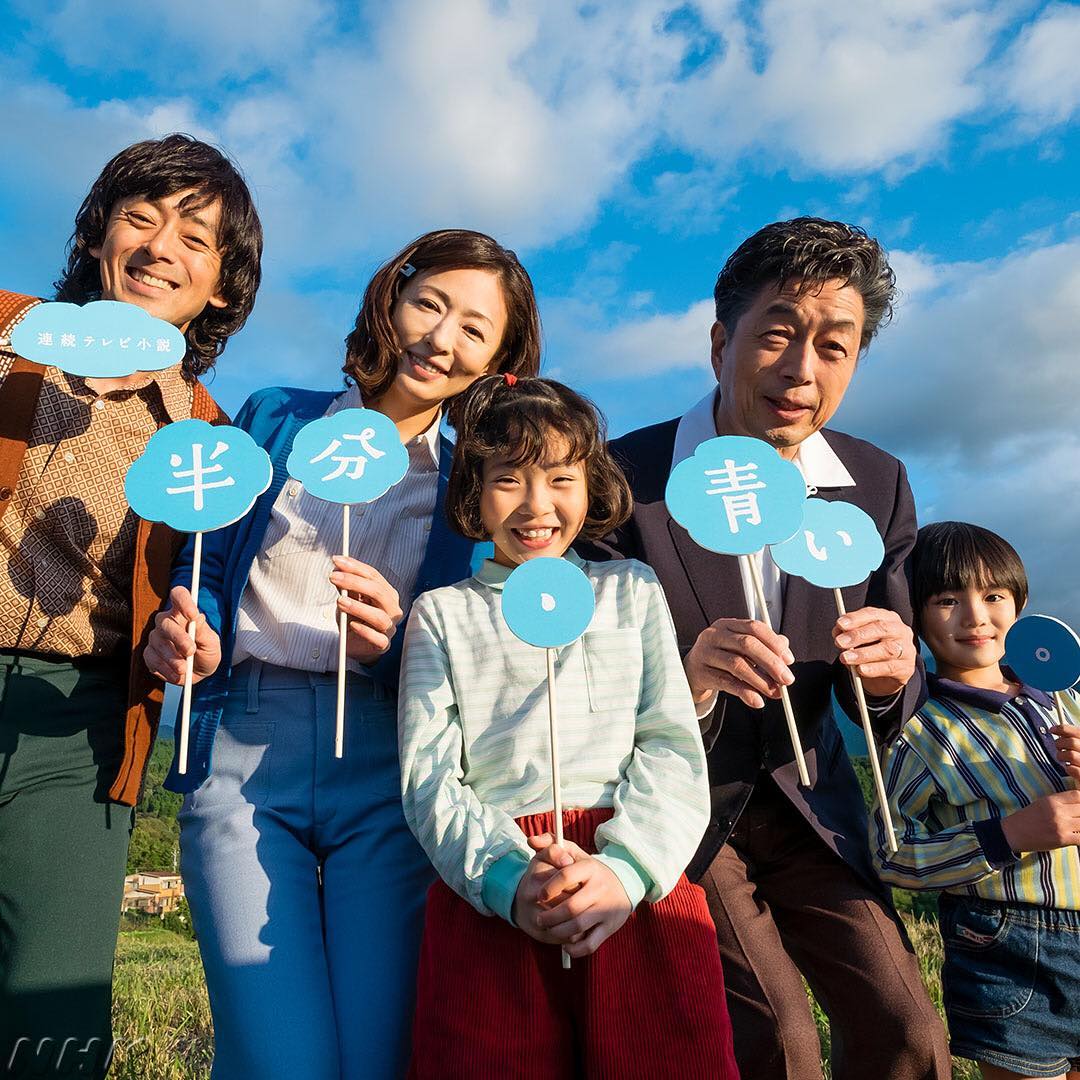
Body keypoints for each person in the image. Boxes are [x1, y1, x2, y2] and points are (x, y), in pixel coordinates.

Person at [142, 229, 543, 1080]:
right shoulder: (276, 415)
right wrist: (195, 622)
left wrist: (397, 644)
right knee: (282, 1056)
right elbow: (205, 557)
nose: (441, 337)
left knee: (376, 1057)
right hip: (245, 748)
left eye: (475, 328)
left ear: (499, 361)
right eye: (429, 303)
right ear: (389, 300)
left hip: (389, 765)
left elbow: (480, 648)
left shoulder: (475, 487)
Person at [583, 217, 950, 1079]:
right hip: (679, 807)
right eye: (779, 334)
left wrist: (896, 674)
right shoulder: (617, 481)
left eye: (835, 346)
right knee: (778, 1043)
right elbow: (582, 676)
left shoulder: (875, 479)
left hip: (814, 806)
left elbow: (899, 692)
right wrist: (689, 680)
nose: (802, 370)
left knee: (909, 1034)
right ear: (721, 342)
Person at [0, 133, 261, 1077]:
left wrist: (187, 634)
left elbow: (210, 589)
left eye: (196, 236)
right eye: (140, 218)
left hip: (77, 734)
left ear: (222, 286)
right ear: (98, 238)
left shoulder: (209, 437)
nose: (161, 246)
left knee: (53, 1020)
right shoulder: (6, 333)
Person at [398, 373, 739, 1079]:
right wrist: (506, 881)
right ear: (473, 491)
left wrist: (625, 870)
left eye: (560, 478)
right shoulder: (441, 615)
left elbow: (671, 744)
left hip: (630, 876)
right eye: (508, 480)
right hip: (499, 884)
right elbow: (429, 776)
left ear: (591, 485)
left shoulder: (632, 590)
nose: (536, 505)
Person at [873, 521, 1080, 1080]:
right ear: (912, 615)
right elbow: (891, 853)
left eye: (993, 596)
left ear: (1022, 604)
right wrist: (1008, 835)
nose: (975, 617)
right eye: (946, 599)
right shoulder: (921, 730)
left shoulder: (1067, 700)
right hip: (1013, 945)